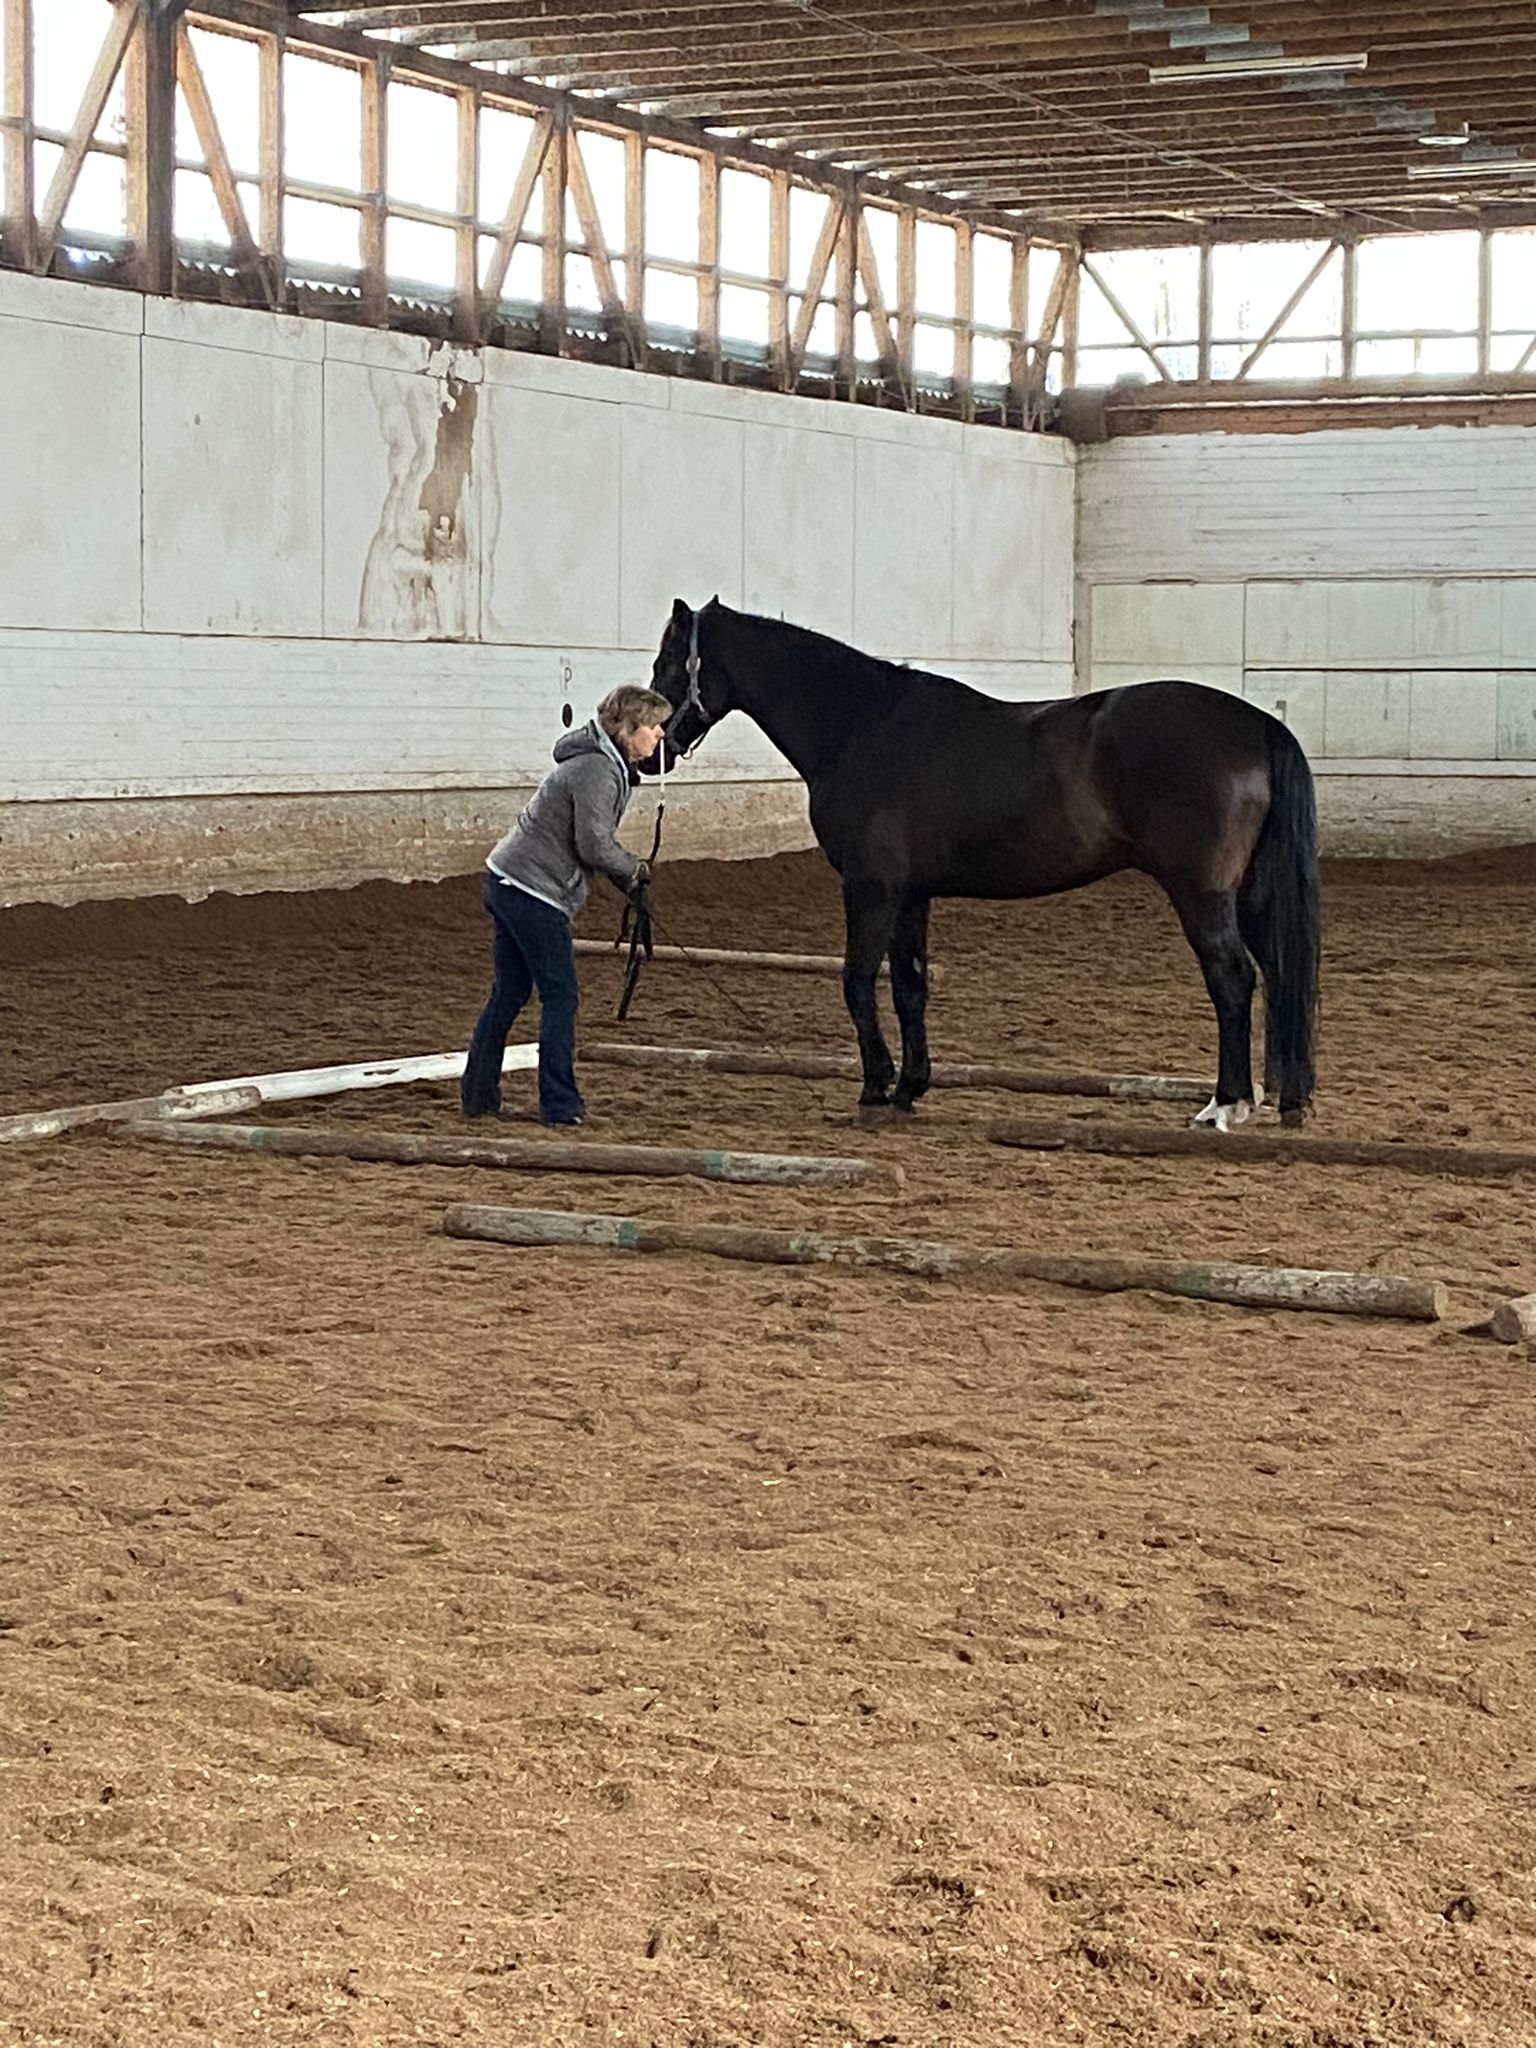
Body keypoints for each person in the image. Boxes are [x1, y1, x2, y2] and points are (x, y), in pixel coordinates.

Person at [460, 684, 672, 1126]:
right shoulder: (598, 770)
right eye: (653, 728)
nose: (659, 737)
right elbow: (593, 844)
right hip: (532, 890)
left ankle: (478, 1095)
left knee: (511, 992)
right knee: (561, 996)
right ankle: (559, 1104)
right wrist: (633, 870)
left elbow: (592, 843)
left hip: (508, 879)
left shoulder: (604, 764)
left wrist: (627, 876)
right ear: (629, 728)